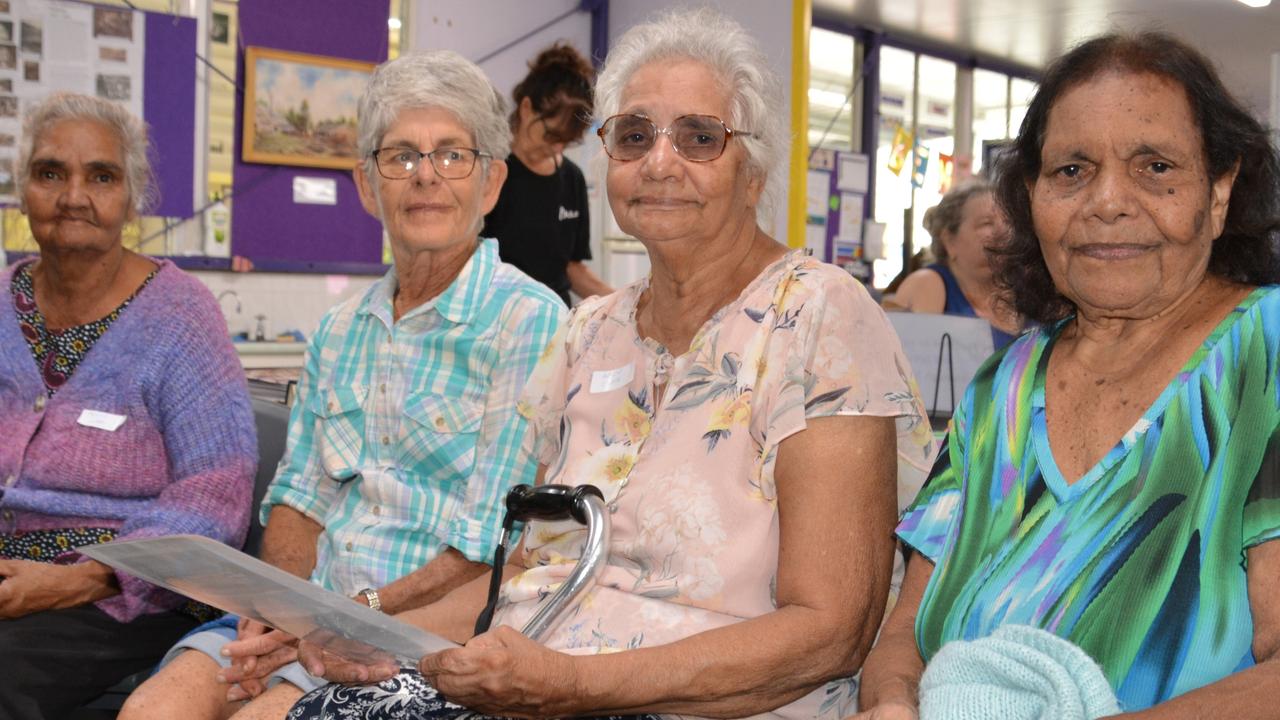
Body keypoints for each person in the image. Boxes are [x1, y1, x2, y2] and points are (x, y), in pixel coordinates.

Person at [287, 8, 936, 720]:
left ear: (753, 170)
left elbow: (830, 633)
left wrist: (573, 686)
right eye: (634, 136)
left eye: (698, 137)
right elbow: (529, 571)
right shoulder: (589, 333)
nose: (660, 162)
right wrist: (383, 643)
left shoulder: (820, 319)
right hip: (532, 684)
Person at [120, 51, 566, 720]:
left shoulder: (528, 322)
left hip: (412, 635)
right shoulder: (338, 330)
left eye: (451, 155)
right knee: (151, 711)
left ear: (491, 184)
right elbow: (300, 499)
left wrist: (350, 619)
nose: (425, 177)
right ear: (366, 185)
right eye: (401, 156)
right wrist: (279, 612)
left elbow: (491, 547)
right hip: (313, 613)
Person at [856, 31, 1280, 719]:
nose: (1106, 202)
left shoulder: (1266, 352)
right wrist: (894, 701)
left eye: (1156, 166)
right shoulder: (1002, 387)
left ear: (1221, 191)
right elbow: (906, 630)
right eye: (1072, 171)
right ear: (1032, 197)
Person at [0, 92, 256, 719]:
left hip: (127, 593)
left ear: (133, 197)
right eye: (50, 172)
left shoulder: (181, 316)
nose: (73, 196)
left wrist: (88, 577)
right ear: (21, 189)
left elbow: (216, 491)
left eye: (102, 176)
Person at [481, 42, 612, 306]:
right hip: (496, 321)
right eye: (551, 135)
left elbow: (569, 269)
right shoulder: (490, 170)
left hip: (554, 319)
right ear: (527, 108)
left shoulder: (571, 179)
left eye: (566, 140)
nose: (557, 148)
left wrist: (625, 303)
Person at [884, 179, 1021, 348]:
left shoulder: (1024, 291)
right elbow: (912, 366)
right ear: (949, 242)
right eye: (986, 223)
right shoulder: (928, 283)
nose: (1003, 231)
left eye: (1008, 222)